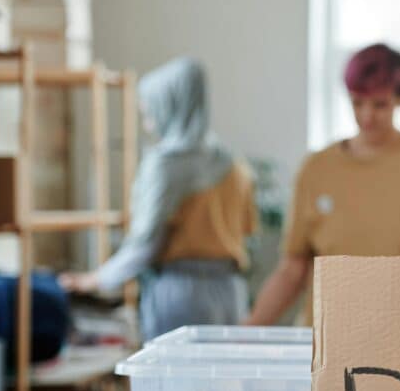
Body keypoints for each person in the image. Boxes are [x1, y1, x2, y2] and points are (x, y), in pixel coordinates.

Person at [246, 43, 400, 325]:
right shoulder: (316, 168)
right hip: (327, 333)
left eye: (379, 104)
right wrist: (247, 330)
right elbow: (292, 270)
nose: (367, 116)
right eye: (357, 103)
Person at [60, 57, 256, 342]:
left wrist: (95, 280)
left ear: (170, 106)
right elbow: (247, 230)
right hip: (230, 294)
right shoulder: (235, 166)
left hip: (180, 297)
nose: (148, 125)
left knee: (175, 371)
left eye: (150, 113)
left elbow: (146, 244)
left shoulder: (166, 165)